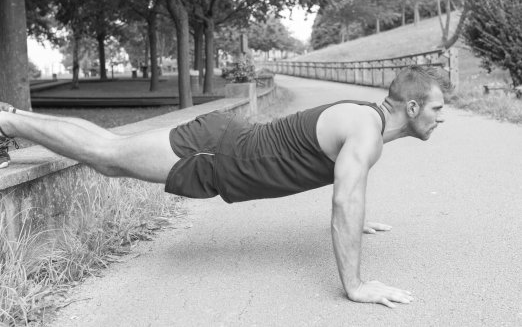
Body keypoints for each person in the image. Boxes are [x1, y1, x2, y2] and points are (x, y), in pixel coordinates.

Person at [0, 65, 450, 308]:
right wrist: (355, 285)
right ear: (411, 106)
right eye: (437, 108)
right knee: (107, 154)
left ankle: (11, 118)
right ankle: (7, 119)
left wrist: (360, 218)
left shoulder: (366, 126)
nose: (441, 117)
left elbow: (347, 186)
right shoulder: (367, 132)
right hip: (215, 152)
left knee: (110, 157)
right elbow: (343, 200)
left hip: (222, 150)